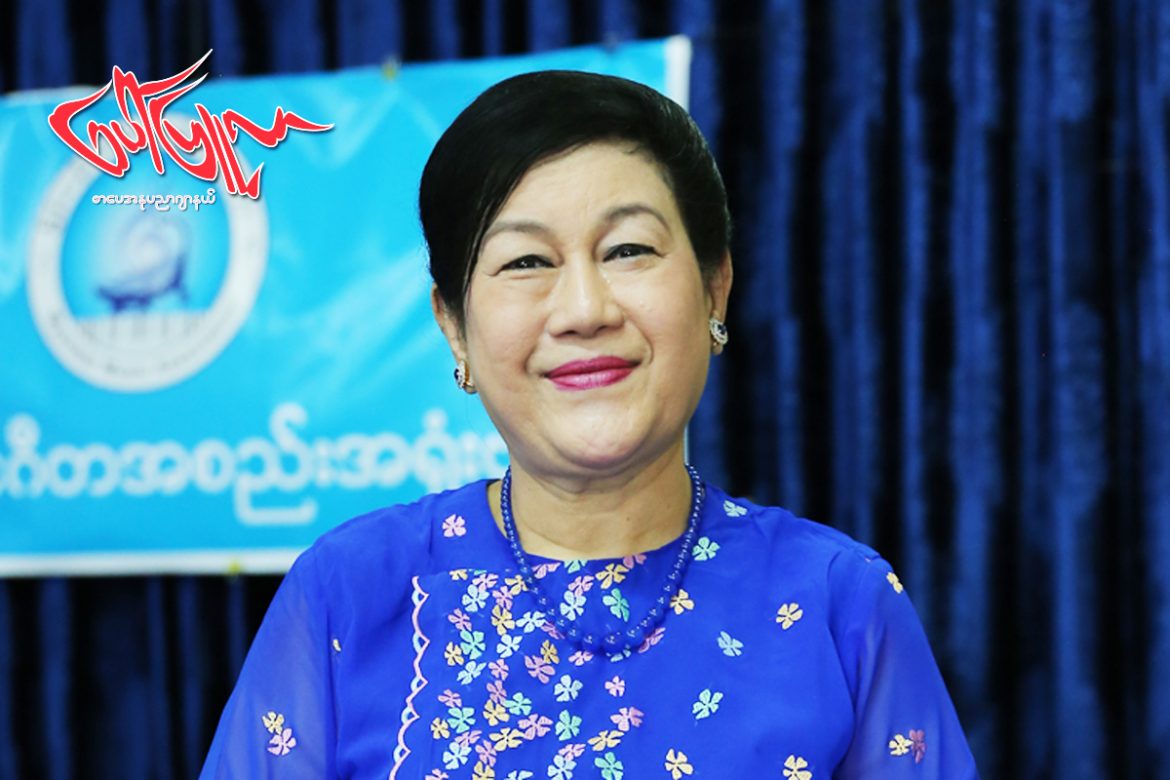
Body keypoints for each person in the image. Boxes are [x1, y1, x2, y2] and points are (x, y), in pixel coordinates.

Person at [200, 70, 978, 779]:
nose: (583, 310)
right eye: (526, 262)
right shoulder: (347, 595)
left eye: (628, 249)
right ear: (454, 327)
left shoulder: (840, 605)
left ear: (715, 289)